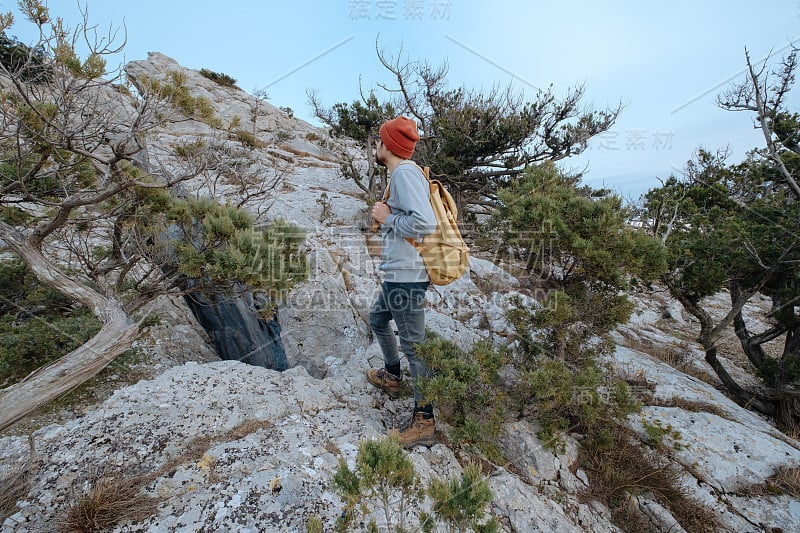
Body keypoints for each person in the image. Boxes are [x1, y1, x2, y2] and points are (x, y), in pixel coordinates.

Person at [366, 115, 438, 448]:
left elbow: (425, 223)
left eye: (380, 141)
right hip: (398, 273)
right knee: (378, 319)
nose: (377, 146)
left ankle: (425, 420)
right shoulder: (400, 174)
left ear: (388, 146)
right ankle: (393, 376)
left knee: (415, 346)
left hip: (406, 277)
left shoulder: (406, 173)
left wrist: (387, 218)